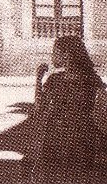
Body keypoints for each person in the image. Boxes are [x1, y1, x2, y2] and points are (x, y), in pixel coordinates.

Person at [29, 36, 104, 184]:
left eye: (54, 52)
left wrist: (38, 79)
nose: (52, 56)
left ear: (66, 55)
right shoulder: (93, 79)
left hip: (57, 137)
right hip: (83, 137)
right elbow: (101, 110)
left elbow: (39, 107)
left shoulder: (55, 80)